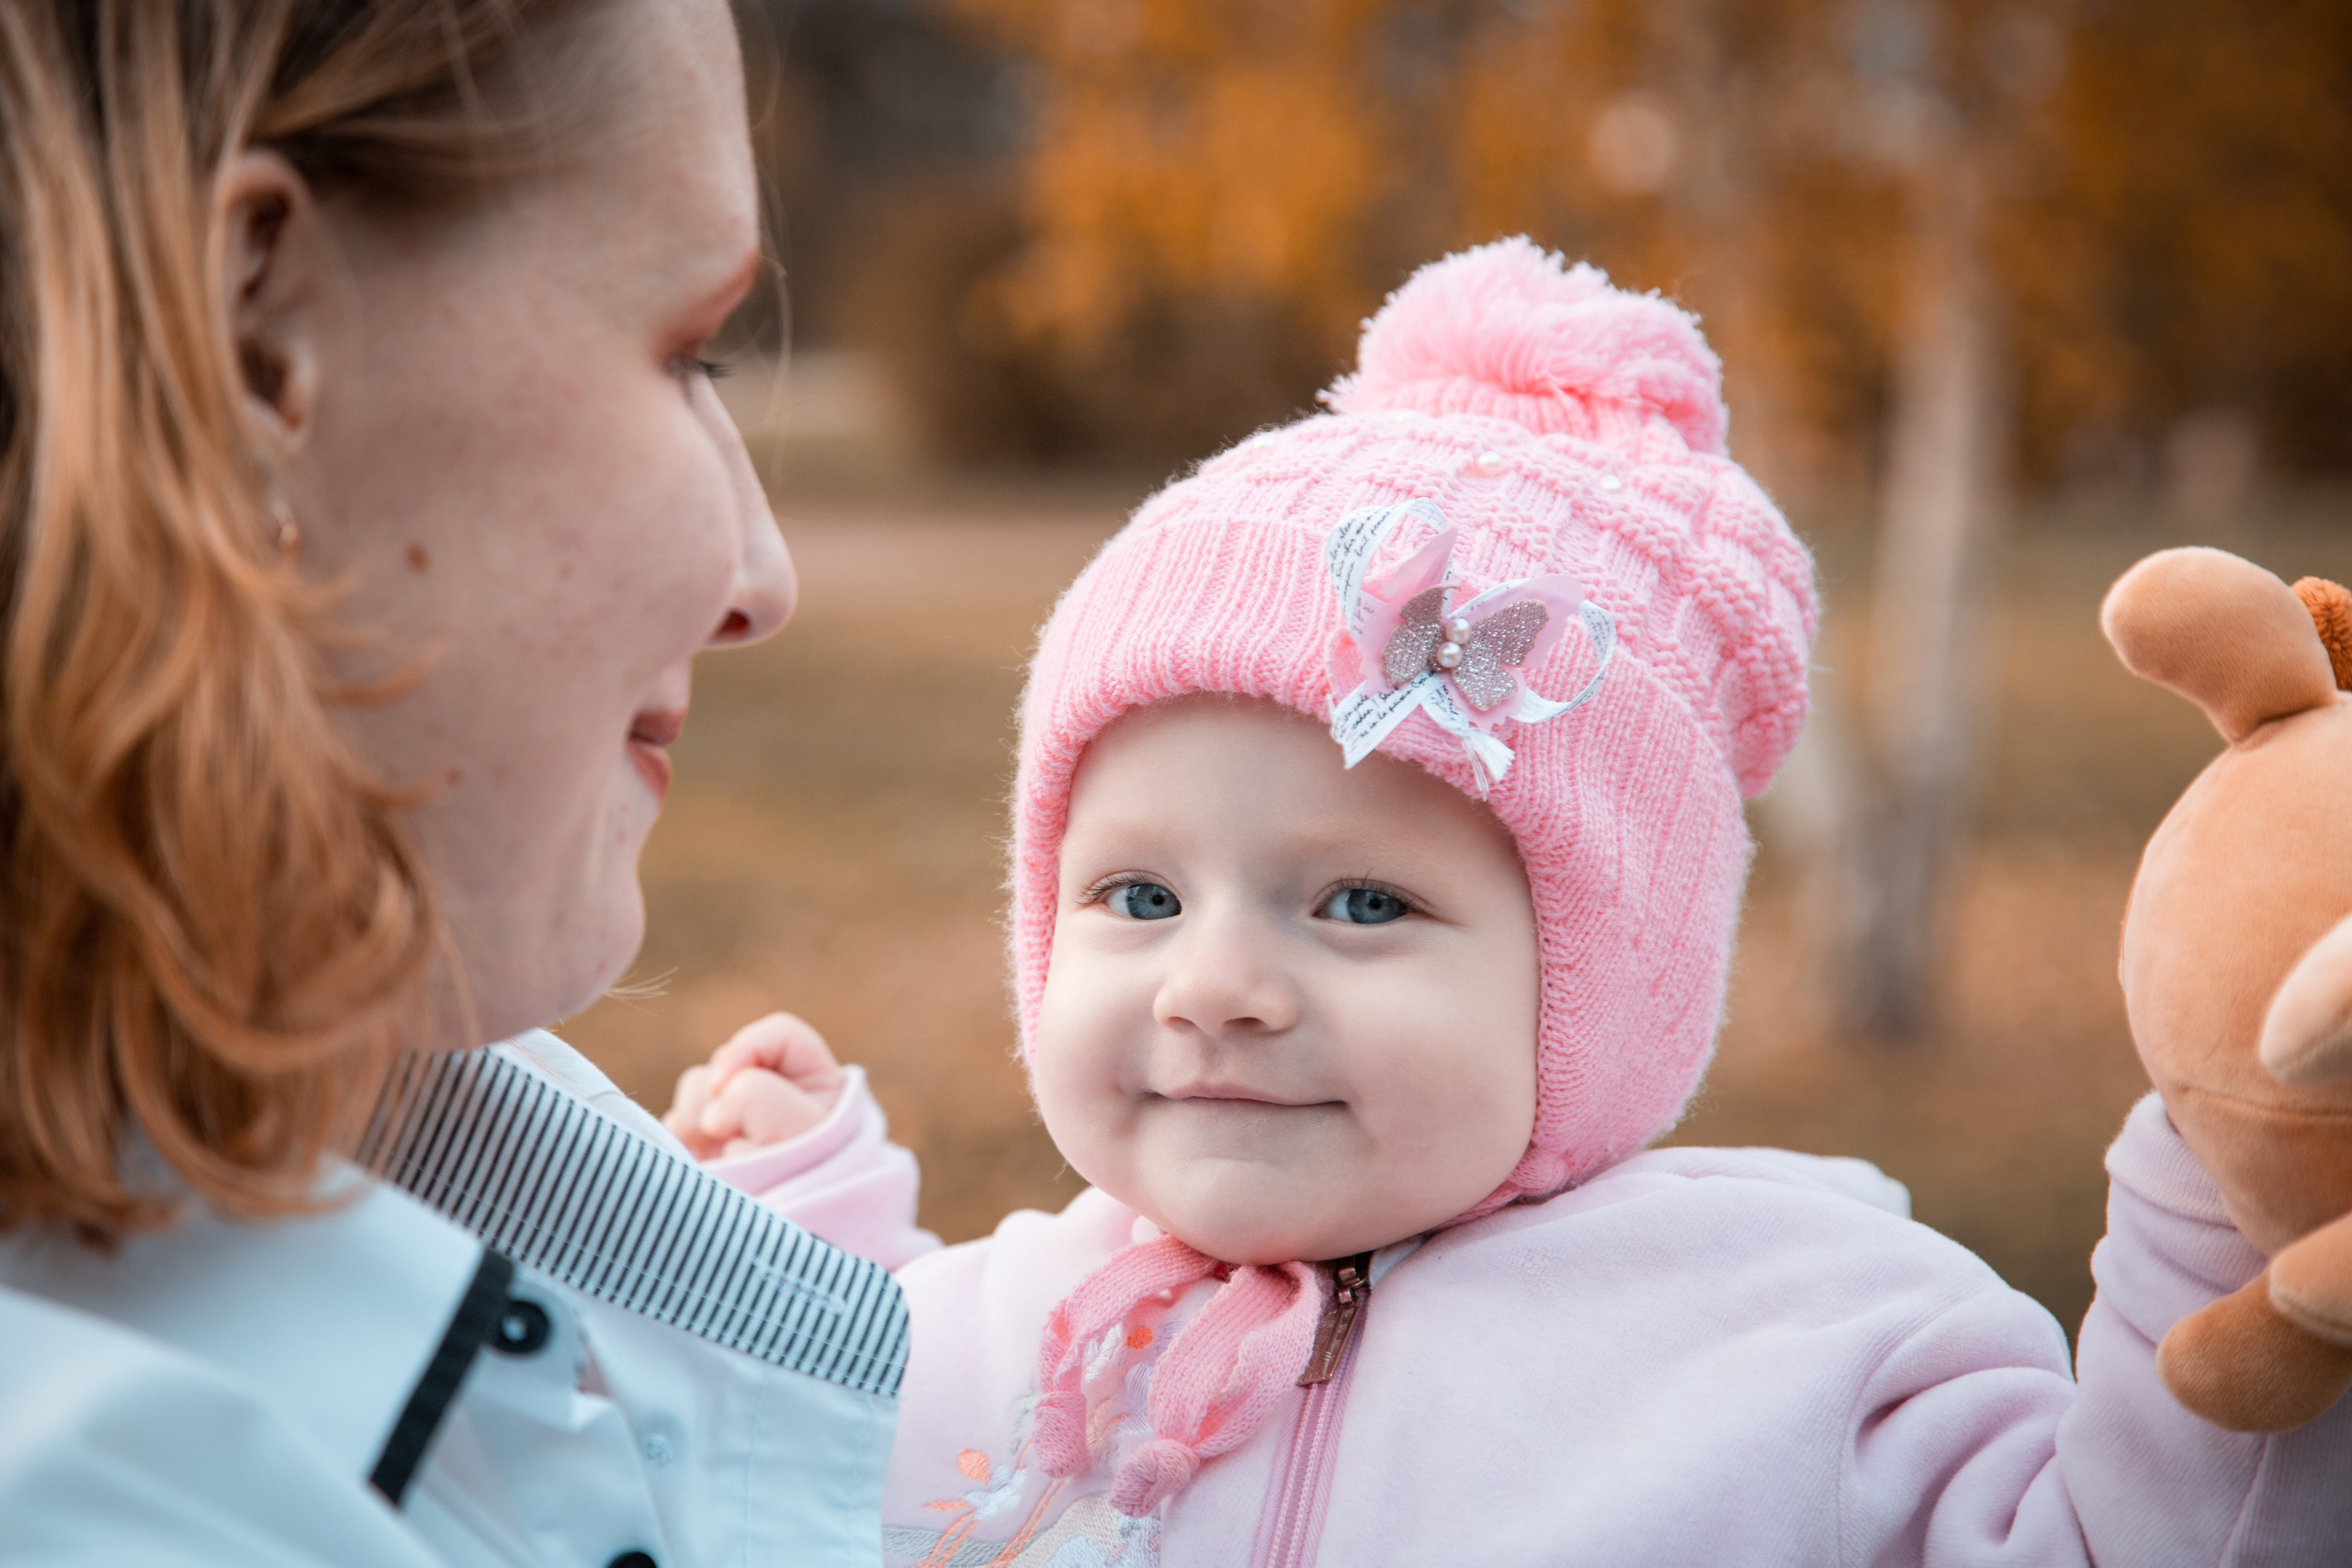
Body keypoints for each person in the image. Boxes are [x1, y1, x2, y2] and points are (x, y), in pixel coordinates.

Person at [666, 241, 2352, 1565]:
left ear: (1604, 975)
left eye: (1363, 907)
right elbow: (763, 1475)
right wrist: (795, 1242)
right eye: (1135, 894)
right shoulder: (1008, 1333)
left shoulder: (1809, 1349)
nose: (1216, 986)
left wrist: (2238, 1199)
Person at [0, 4, 903, 1563]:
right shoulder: (118, 1510)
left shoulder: (422, 1121)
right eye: (688, 349)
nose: (763, 577)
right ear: (257, 349)